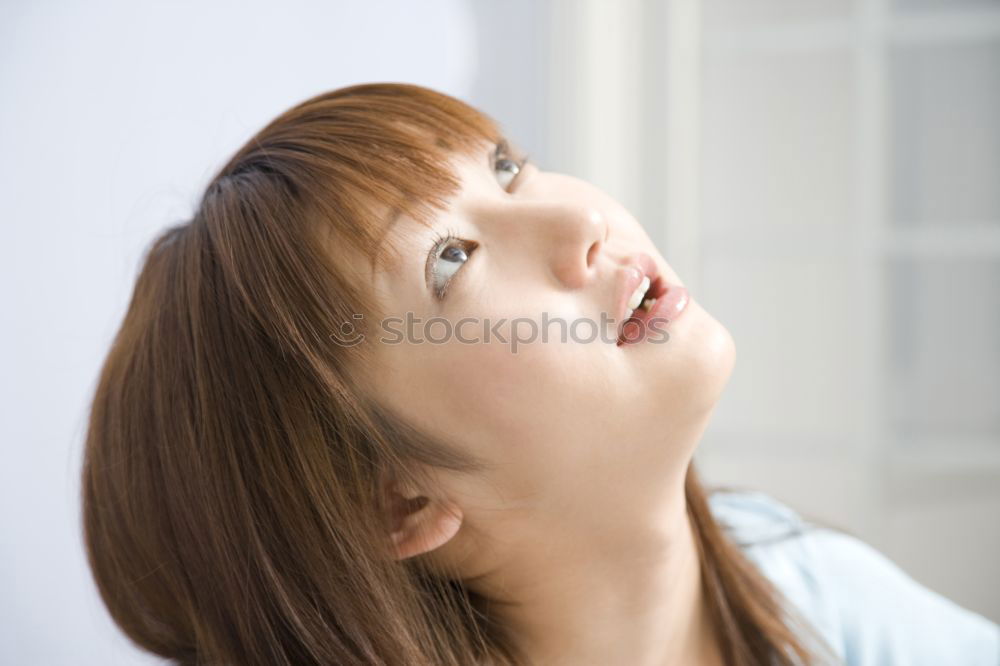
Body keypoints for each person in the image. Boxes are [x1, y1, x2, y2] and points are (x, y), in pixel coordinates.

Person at [81, 82, 999, 666]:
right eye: (451, 261)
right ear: (397, 501)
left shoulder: (808, 594)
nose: (580, 224)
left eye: (508, 167)